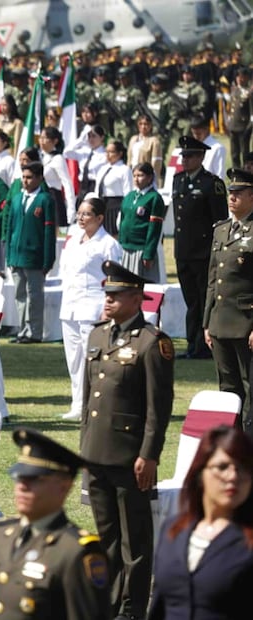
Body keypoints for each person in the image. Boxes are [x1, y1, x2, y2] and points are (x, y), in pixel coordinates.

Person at [80, 260, 175, 620]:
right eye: (107, 294)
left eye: (116, 296)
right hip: (97, 453)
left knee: (134, 540)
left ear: (138, 299)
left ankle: (133, 608)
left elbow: (158, 406)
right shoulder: (98, 335)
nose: (108, 301)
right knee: (106, 538)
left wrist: (149, 455)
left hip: (128, 456)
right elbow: (90, 400)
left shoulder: (153, 344)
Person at [0, 427, 110, 620]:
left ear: (64, 486)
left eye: (34, 479)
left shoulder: (75, 552)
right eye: (19, 478)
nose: (22, 486)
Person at [149, 425, 253, 619]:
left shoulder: (247, 540)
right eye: (222, 467)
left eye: (243, 468)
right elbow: (159, 606)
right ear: (200, 473)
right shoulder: (173, 530)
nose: (233, 477)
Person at [58, 197, 122, 420]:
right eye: (79, 213)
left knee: (92, 360)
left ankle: (96, 404)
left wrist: (108, 309)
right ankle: (78, 404)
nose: (81, 218)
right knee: (74, 360)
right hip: (70, 306)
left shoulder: (108, 244)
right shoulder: (74, 238)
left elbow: (114, 280)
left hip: (93, 307)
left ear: (100, 218)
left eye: (86, 214)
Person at [204, 168, 253, 435]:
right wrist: (207, 322)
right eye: (230, 192)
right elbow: (213, 280)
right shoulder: (221, 230)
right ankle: (232, 442)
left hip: (246, 323)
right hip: (221, 322)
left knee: (250, 388)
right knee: (228, 388)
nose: (232, 197)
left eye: (238, 193)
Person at [172, 135, 227, 359]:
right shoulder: (178, 180)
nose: (184, 160)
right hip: (183, 252)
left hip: (203, 253)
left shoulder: (211, 184)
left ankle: (204, 345)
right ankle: (191, 344)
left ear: (201, 156)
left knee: (205, 300)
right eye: (183, 155)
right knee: (191, 301)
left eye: (190, 156)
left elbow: (220, 221)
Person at [3, 162, 56, 344]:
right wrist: (9, 255)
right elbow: (10, 227)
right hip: (17, 256)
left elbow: (49, 233)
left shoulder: (45, 200)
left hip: (35, 257)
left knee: (34, 296)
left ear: (40, 178)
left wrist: (48, 260)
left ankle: (34, 331)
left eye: (30, 177)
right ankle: (23, 330)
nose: (25, 181)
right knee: (20, 295)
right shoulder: (17, 198)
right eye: (23, 177)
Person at [119, 163, 166, 283]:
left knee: (139, 284)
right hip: (126, 247)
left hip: (140, 249)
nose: (136, 179)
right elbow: (123, 220)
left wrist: (148, 254)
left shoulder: (154, 198)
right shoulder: (129, 196)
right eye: (134, 175)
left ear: (150, 177)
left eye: (140, 175)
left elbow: (154, 228)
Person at [94, 141, 133, 237]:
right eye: (106, 152)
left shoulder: (124, 169)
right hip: (103, 204)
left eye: (111, 152)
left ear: (120, 153)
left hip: (116, 206)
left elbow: (128, 192)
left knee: (114, 235)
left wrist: (124, 211)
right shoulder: (103, 168)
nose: (108, 155)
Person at [127, 115, 163, 180]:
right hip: (132, 174)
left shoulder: (154, 141)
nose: (143, 127)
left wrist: (152, 178)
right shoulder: (133, 139)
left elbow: (156, 163)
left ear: (150, 126)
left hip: (145, 177)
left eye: (146, 124)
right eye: (140, 124)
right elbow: (129, 159)